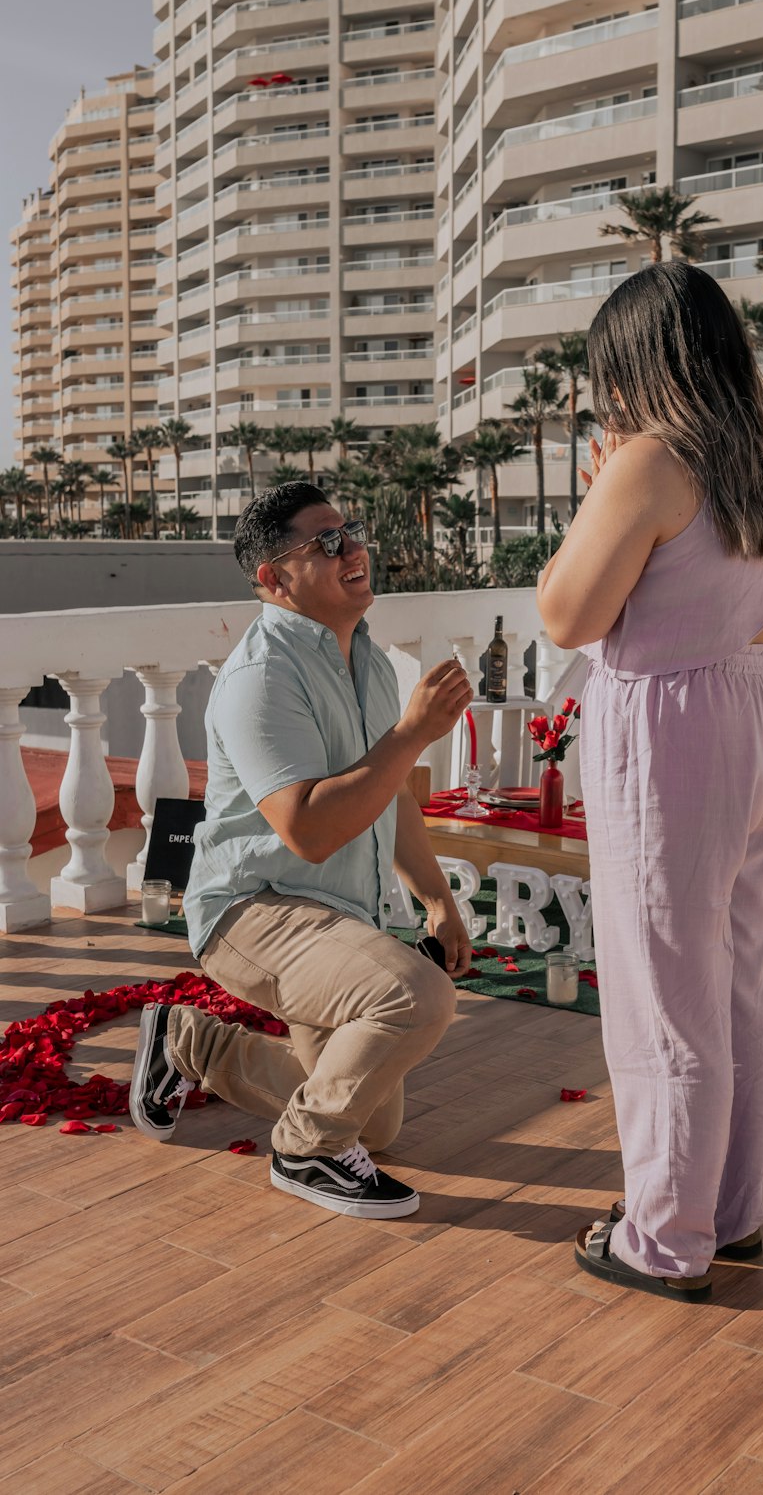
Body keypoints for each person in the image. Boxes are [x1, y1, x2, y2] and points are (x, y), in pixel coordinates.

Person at [537, 261, 763, 1300]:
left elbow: (566, 614)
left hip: (667, 734)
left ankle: (663, 1236)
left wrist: (599, 498)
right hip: (752, 721)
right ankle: (731, 1212)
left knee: (664, 998)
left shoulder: (649, 461)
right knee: (740, 979)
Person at [130, 482, 474, 1220]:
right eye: (326, 542)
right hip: (253, 910)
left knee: (376, 1123)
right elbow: (308, 830)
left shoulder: (371, 663)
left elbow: (392, 795)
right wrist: (413, 734)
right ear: (273, 578)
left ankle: (187, 1042)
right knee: (414, 997)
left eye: (351, 531)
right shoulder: (260, 677)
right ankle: (307, 1151)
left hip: (336, 915)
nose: (353, 548)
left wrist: (438, 900)